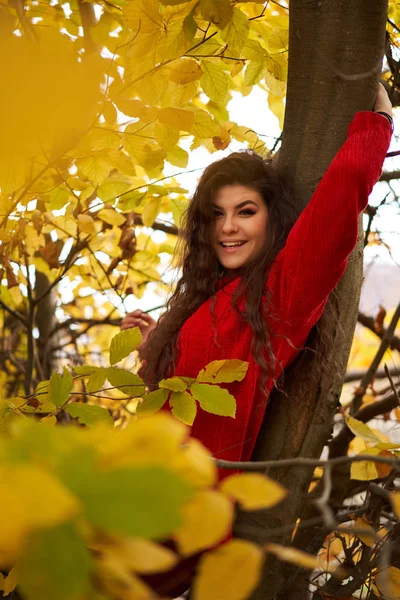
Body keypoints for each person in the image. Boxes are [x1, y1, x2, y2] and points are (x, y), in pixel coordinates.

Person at [121, 84, 393, 479]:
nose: (228, 227)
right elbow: (188, 411)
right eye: (216, 215)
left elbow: (343, 188)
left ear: (272, 219)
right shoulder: (208, 297)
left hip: (188, 517)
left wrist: (380, 123)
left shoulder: (278, 295)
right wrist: (156, 353)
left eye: (245, 212)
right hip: (133, 491)